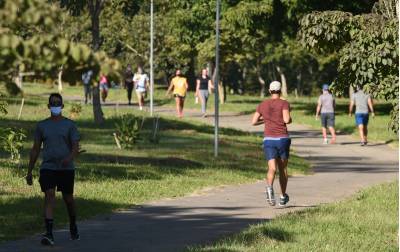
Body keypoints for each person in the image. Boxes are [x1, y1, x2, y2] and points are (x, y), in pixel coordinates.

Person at [26, 93, 80, 246]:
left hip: (66, 169)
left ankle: (73, 224)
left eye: (58, 103)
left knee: (68, 199)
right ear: (48, 106)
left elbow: (75, 148)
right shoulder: (42, 126)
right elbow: (35, 149)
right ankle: (49, 233)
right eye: (53, 103)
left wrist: (68, 159)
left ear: (62, 106)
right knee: (49, 195)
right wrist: (29, 171)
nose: (56, 105)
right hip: (48, 167)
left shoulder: (70, 125)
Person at [252, 81, 292, 207]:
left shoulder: (263, 104)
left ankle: (269, 188)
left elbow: (253, 122)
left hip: (268, 139)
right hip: (282, 139)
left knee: (272, 168)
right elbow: (286, 119)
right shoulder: (284, 103)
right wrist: (289, 119)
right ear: (280, 91)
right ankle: (282, 197)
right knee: (282, 169)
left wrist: (265, 120)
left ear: (269, 91)